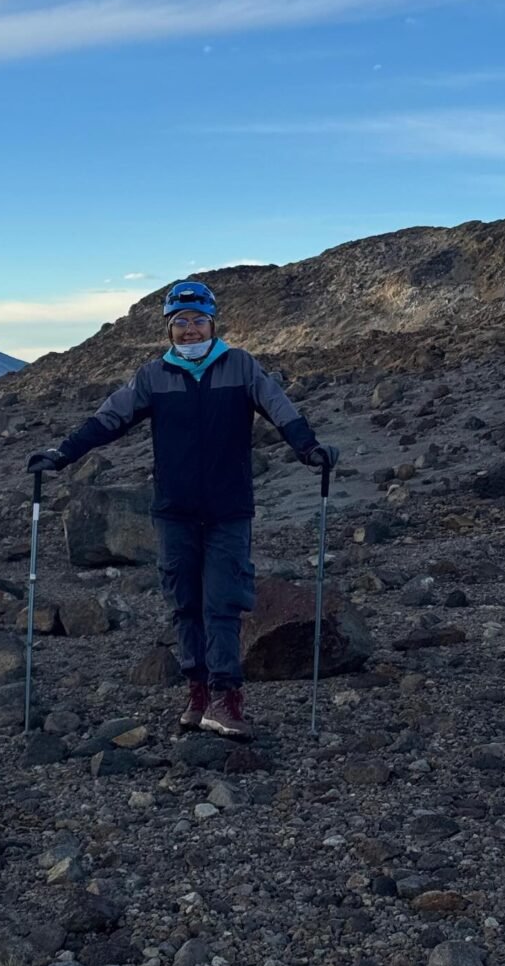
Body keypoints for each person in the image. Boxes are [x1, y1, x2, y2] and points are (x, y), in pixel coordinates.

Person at [26, 280, 338, 740]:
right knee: (185, 604)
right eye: (180, 323)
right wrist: (61, 455)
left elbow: (280, 408)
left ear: (213, 322)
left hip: (229, 509)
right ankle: (197, 693)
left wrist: (308, 448)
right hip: (174, 510)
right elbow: (109, 418)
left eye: (197, 321)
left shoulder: (240, 366)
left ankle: (225, 698)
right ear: (169, 330)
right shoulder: (155, 376)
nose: (190, 330)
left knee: (224, 604)